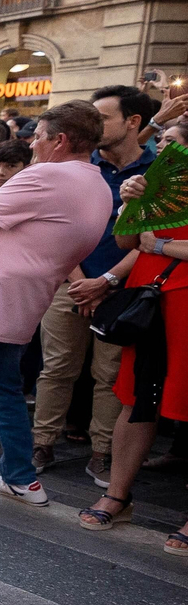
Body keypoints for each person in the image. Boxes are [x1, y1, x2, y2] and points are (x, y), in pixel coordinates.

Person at [0, 102, 114, 510]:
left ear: (60, 140)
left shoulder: (47, 174)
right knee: (3, 389)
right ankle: (21, 477)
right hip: (24, 299)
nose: (31, 143)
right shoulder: (96, 184)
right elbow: (29, 224)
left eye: (37, 135)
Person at [31, 86, 153, 485]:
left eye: (103, 118)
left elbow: (153, 239)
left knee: (110, 376)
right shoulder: (79, 166)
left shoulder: (156, 171)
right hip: (70, 281)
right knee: (57, 368)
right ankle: (42, 441)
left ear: (133, 122)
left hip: (125, 288)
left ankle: (102, 452)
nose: (94, 126)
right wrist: (80, 279)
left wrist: (106, 280)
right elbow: (52, 227)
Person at [79, 173, 188, 552]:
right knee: (137, 398)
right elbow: (127, 242)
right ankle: (118, 495)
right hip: (151, 301)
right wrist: (131, 203)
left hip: (181, 301)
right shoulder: (161, 186)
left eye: (172, 141)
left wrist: (159, 244)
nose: (162, 145)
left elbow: (147, 243)